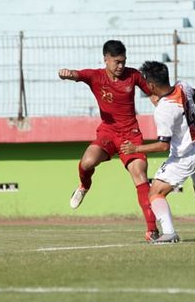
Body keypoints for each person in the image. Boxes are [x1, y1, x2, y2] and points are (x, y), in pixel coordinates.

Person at [58, 40, 159, 241]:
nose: (121, 66)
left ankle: (152, 230)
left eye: (123, 61)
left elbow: (153, 94)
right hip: (107, 133)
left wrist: (161, 105)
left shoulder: (133, 75)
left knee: (139, 175)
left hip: (130, 135)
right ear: (106, 59)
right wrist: (67, 73)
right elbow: (77, 75)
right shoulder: (95, 76)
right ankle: (84, 186)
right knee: (87, 163)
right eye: (117, 62)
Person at [120, 61, 195, 244]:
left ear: (152, 85)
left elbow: (164, 146)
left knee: (155, 193)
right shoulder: (183, 85)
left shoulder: (163, 110)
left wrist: (135, 148)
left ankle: (169, 232)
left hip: (185, 155)